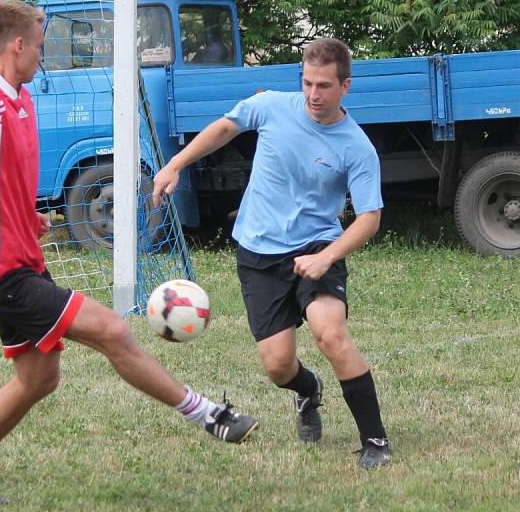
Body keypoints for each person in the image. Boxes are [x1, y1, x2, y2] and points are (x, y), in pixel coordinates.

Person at [0, 0, 258, 505]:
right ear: (17, 45)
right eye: (40, 48)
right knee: (113, 331)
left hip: (22, 259)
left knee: (40, 377)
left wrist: (30, 215)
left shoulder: (18, 98)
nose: (42, 59)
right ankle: (209, 416)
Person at [153, 38, 390, 469]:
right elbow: (226, 126)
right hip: (258, 250)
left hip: (317, 246)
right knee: (278, 366)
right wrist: (176, 164)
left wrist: (325, 257)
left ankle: (375, 441)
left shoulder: (356, 147)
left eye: (324, 86)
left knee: (329, 333)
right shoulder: (273, 106)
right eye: (307, 83)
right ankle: (307, 390)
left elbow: (369, 218)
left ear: (345, 86)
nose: (313, 95)